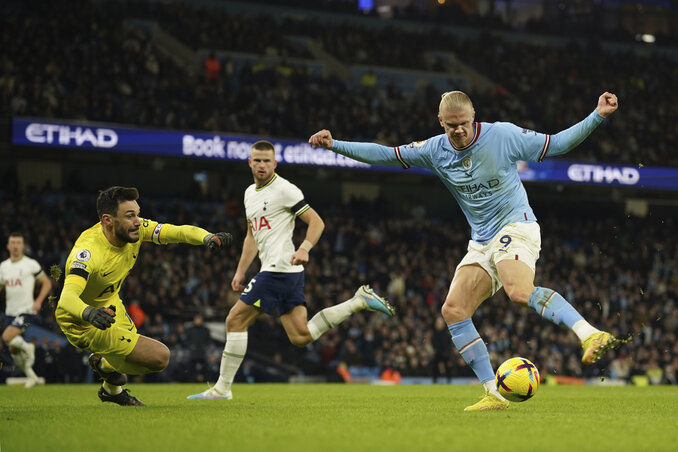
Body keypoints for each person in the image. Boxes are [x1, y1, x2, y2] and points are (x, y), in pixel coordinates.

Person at [309, 91, 620, 411]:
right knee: (453, 310)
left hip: (516, 226)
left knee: (517, 291)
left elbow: (556, 144)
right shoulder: (433, 149)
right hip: (482, 241)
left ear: (475, 117)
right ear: (440, 122)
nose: (459, 131)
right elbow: (385, 154)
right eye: (452, 125)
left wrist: (597, 115)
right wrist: (336, 145)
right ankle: (493, 394)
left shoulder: (503, 135)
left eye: (465, 124)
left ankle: (590, 333)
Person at [188, 140, 395, 400]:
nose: (262, 165)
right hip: (283, 272)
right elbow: (252, 236)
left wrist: (305, 247)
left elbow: (316, 222)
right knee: (301, 335)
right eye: (257, 160)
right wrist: (241, 270)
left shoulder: (285, 190)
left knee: (234, 320)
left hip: (279, 269)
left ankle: (222, 389)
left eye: (267, 161)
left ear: (274, 164)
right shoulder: (249, 194)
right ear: (249, 163)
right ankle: (358, 301)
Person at [55, 186, 232, 405]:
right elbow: (66, 299)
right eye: (130, 216)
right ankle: (104, 366)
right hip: (80, 320)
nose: (138, 221)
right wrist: (89, 313)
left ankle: (111, 389)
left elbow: (175, 231)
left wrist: (207, 237)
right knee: (160, 357)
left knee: (123, 366)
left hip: (110, 304)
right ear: (108, 220)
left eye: (137, 214)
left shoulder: (136, 229)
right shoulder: (88, 252)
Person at [0, 232, 53, 388]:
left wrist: (38, 301)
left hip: (26, 311)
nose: (15, 245)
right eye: (13, 243)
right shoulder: (3, 267)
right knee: (13, 350)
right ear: (8, 246)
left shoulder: (31, 264)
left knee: (6, 337)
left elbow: (47, 283)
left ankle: (28, 347)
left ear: (23, 246)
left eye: (18, 243)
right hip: (11, 312)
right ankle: (31, 376)